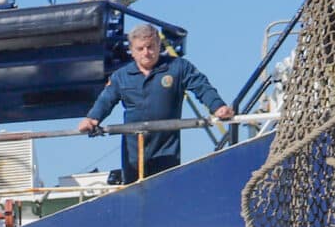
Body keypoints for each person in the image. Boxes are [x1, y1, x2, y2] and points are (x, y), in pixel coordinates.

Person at [76, 23, 233, 182]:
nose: (146, 52)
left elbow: (201, 86)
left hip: (167, 149)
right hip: (134, 150)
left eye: (150, 47)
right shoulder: (121, 76)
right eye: (140, 49)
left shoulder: (178, 67)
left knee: (167, 188)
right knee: (135, 192)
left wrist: (218, 107)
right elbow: (106, 99)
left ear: (158, 45)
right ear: (132, 50)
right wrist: (92, 118)